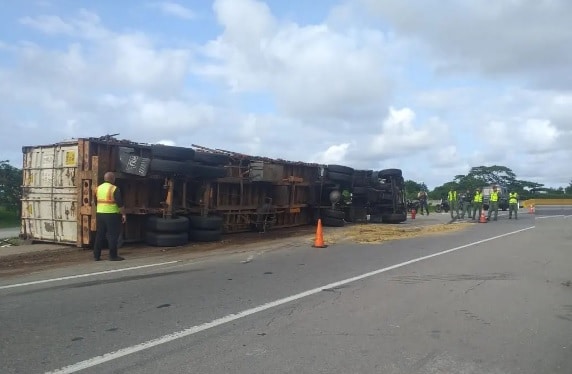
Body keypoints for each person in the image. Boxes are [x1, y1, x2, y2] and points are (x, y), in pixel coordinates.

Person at [93, 172, 126, 261]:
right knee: (112, 235)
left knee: (100, 235)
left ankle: (96, 255)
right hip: (112, 215)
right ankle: (113, 256)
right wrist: (123, 214)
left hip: (100, 214)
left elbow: (96, 202)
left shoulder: (98, 188)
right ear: (112, 179)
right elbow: (119, 203)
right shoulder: (114, 188)